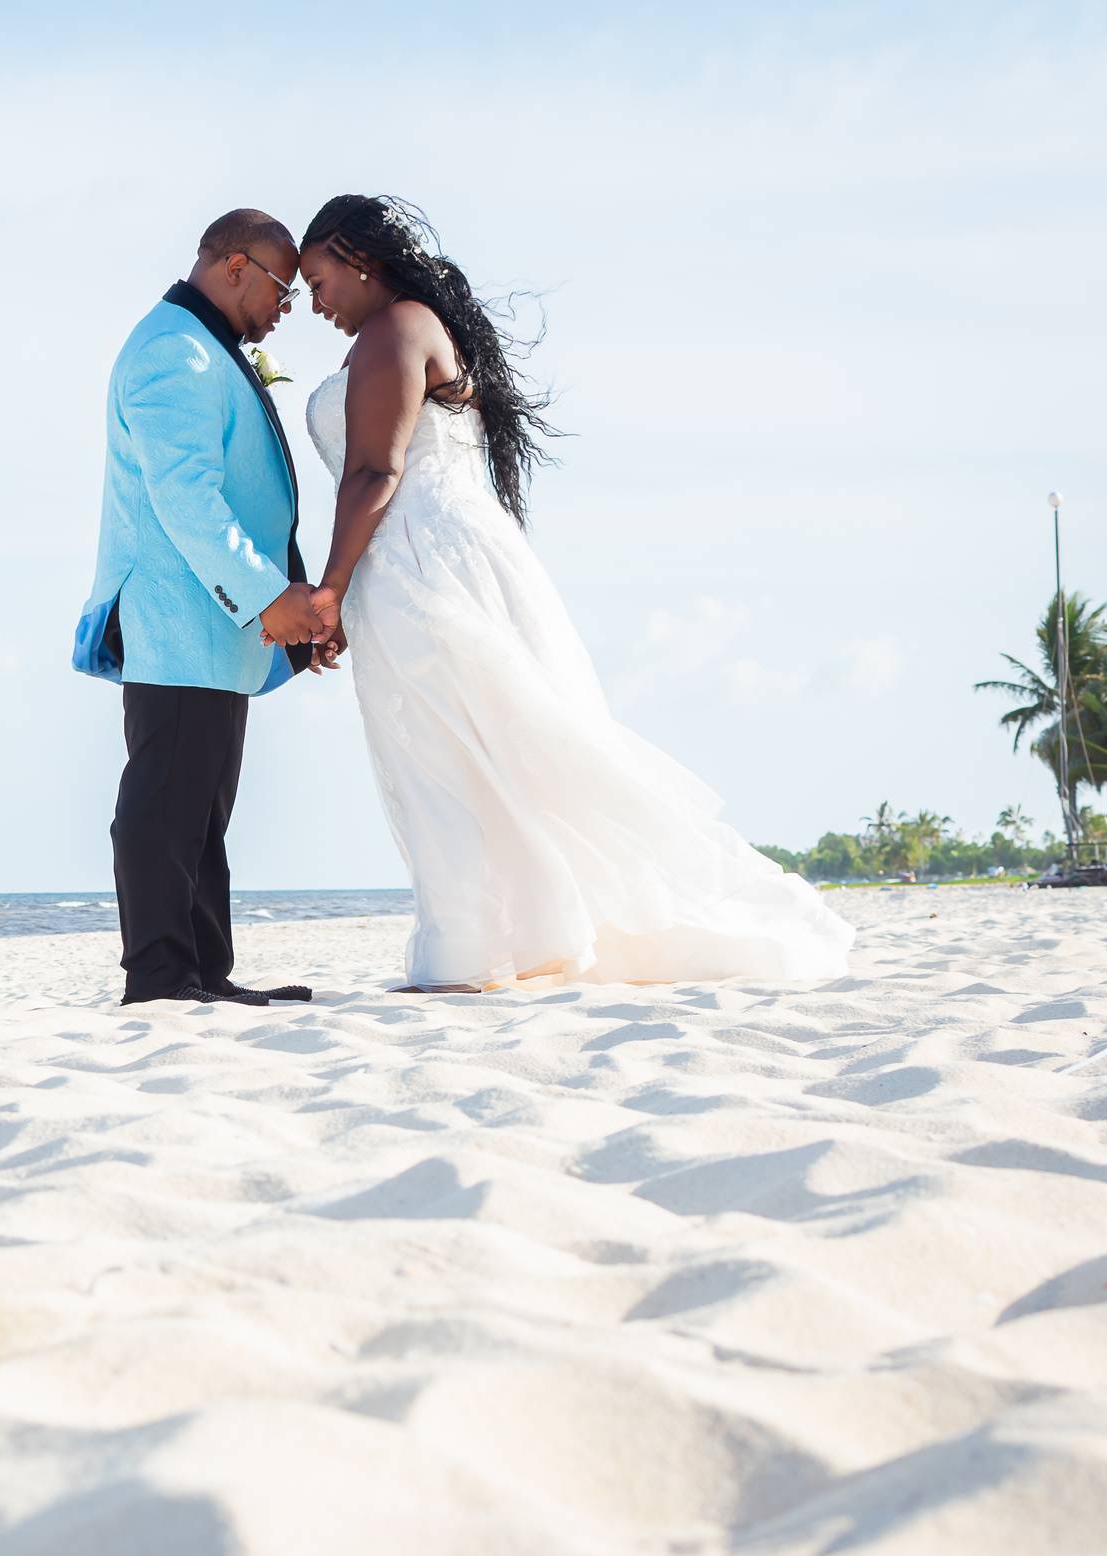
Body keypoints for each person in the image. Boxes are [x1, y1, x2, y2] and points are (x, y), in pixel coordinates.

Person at [293, 194, 852, 990]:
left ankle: (481, 946)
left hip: (423, 559)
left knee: (455, 751)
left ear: (359, 259)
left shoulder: (395, 327)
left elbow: (377, 469)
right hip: (422, 551)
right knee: (469, 749)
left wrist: (331, 588)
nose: (315, 304)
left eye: (319, 282)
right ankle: (509, 938)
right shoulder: (403, 327)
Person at [72, 208, 329, 1006]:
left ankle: (202, 972)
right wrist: (262, 600)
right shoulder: (172, 353)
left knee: (202, 808)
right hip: (179, 620)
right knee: (162, 803)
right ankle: (159, 977)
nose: (287, 308)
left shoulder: (200, 347)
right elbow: (187, 498)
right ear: (234, 265)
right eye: (283, 288)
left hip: (216, 630)